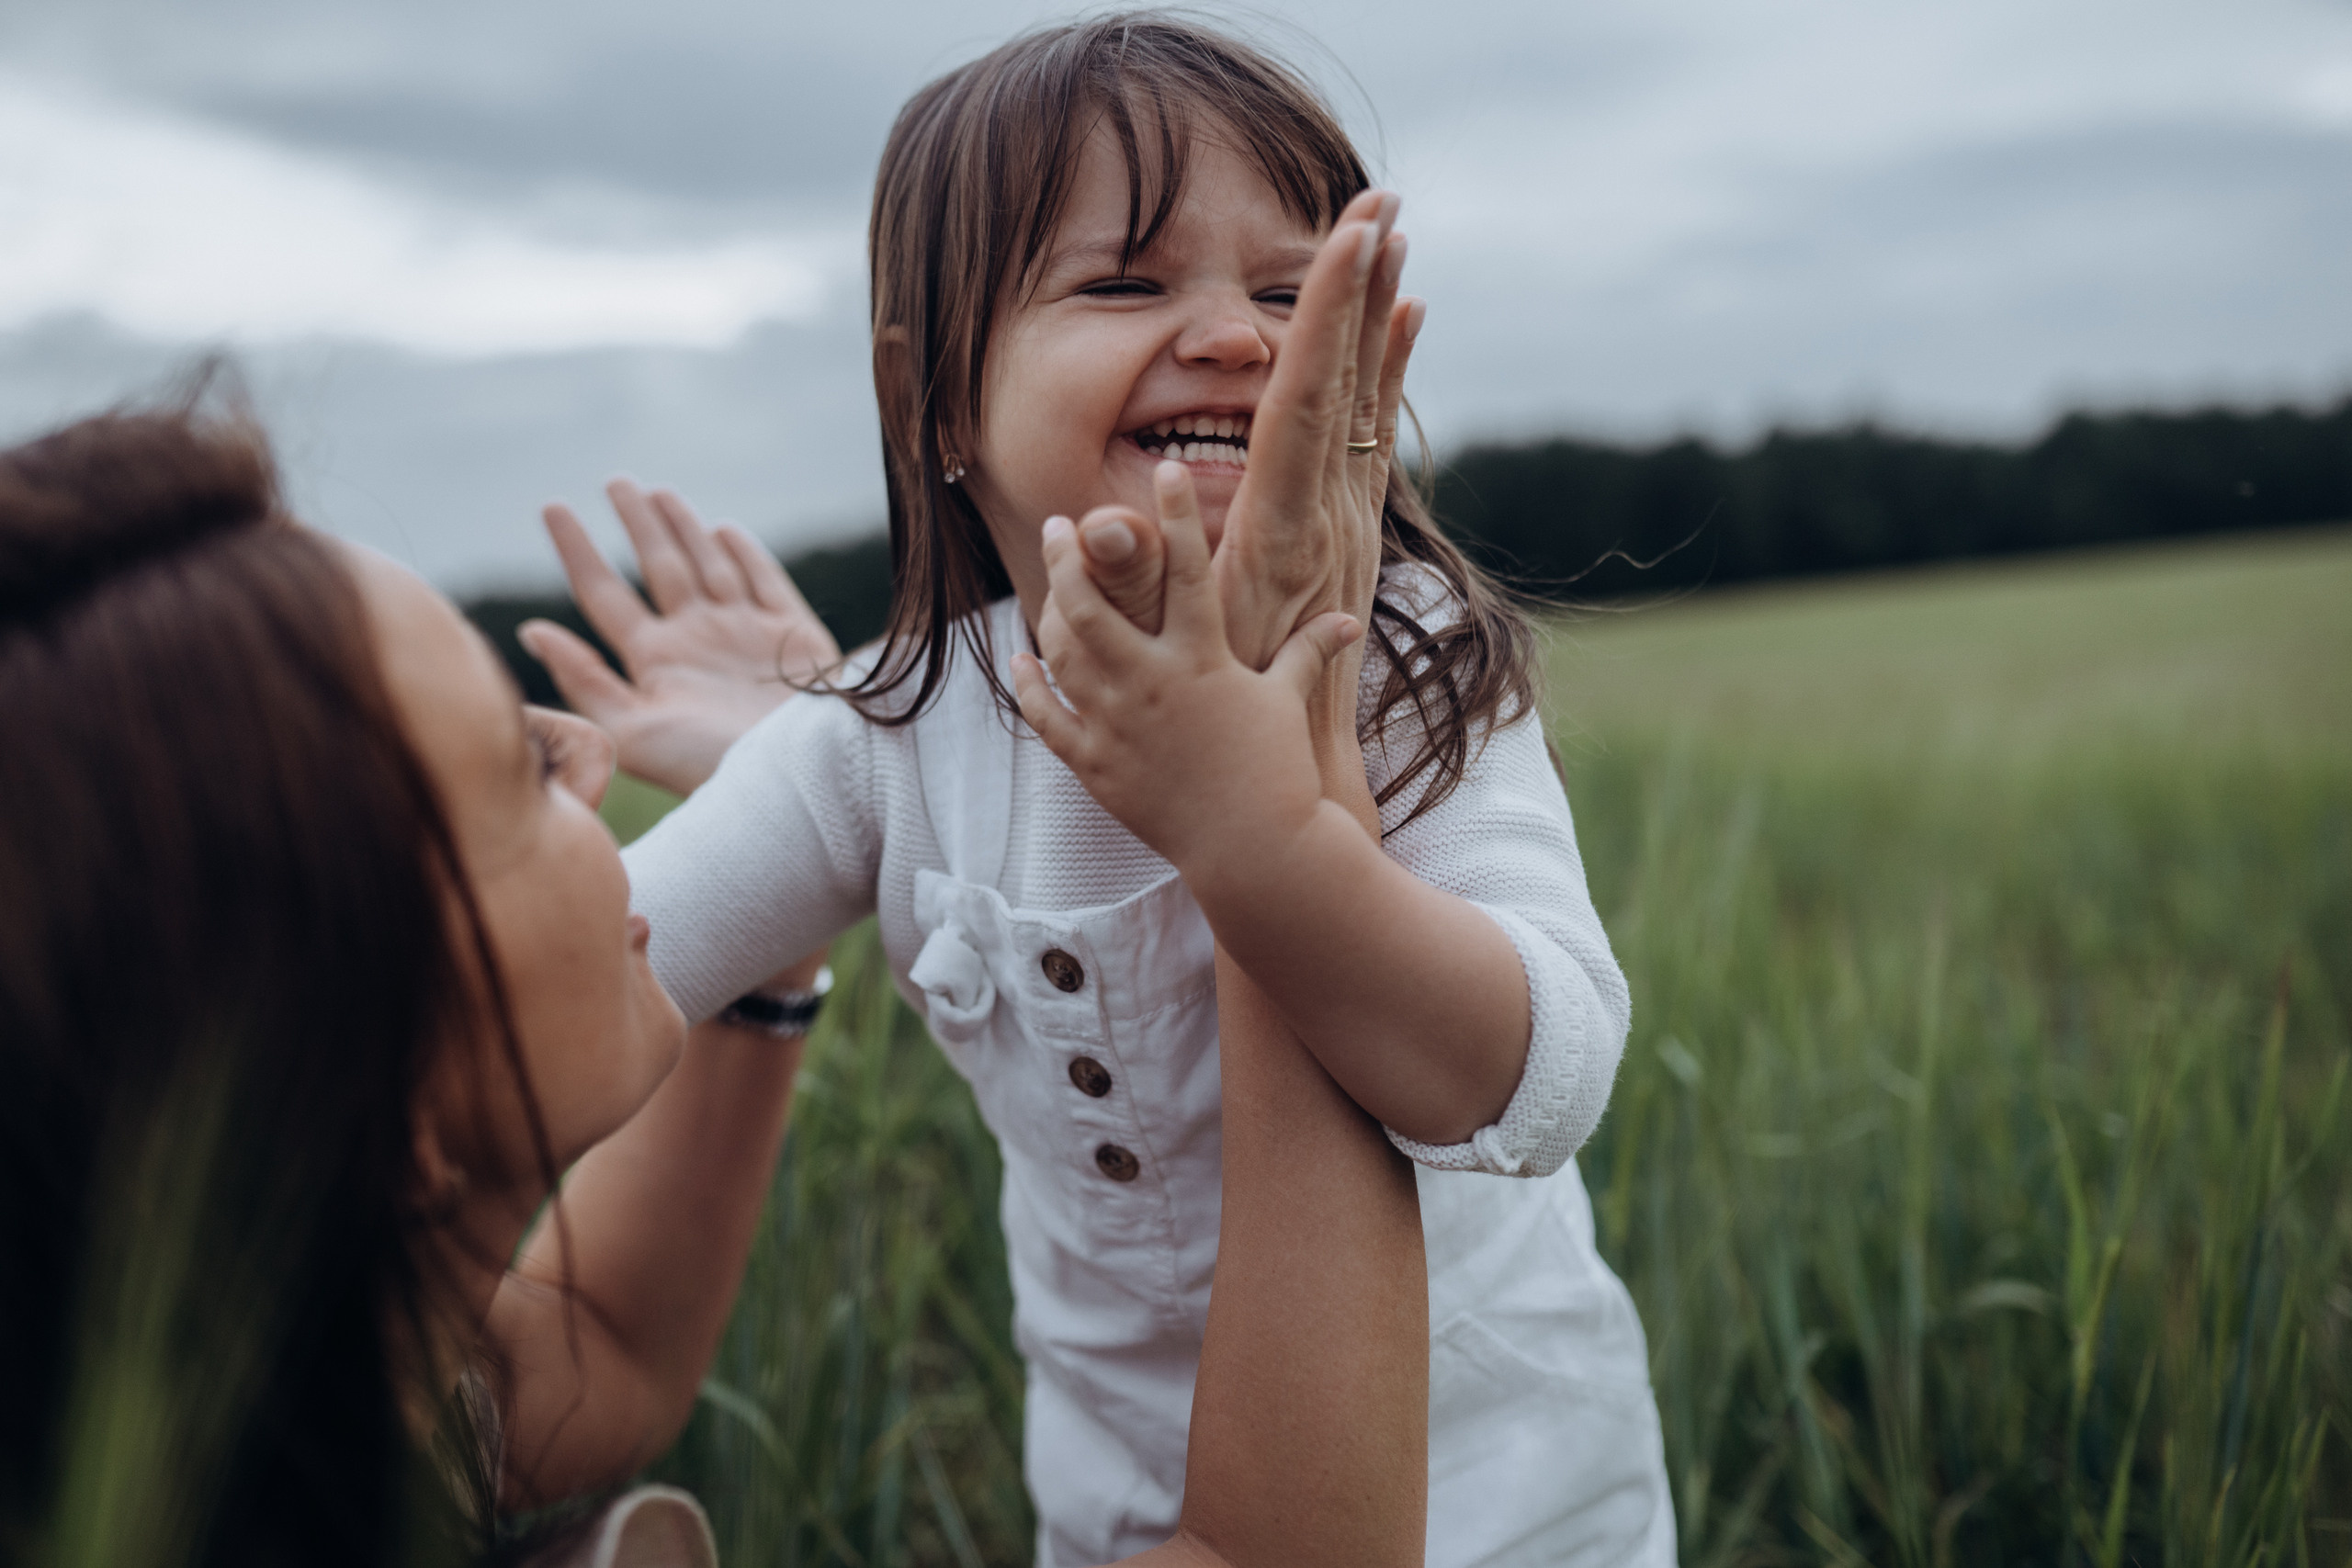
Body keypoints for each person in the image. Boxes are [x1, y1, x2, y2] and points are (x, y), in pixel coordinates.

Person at [521, 16, 1672, 1566]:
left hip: (1521, 1509)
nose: (1237, 335)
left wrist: (1262, 843)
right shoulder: (889, 729)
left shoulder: (1406, 663)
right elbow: (595, 980)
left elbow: (1541, 1079)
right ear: (930, 396)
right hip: (1118, 1519)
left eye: (1292, 288)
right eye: (1127, 283)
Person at [0, 400, 1427, 1567]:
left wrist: (792, 823)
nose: (591, 759)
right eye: (519, 767)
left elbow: (601, 1347)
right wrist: (1277, 850)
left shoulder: (266, 1418)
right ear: (376, 1095)